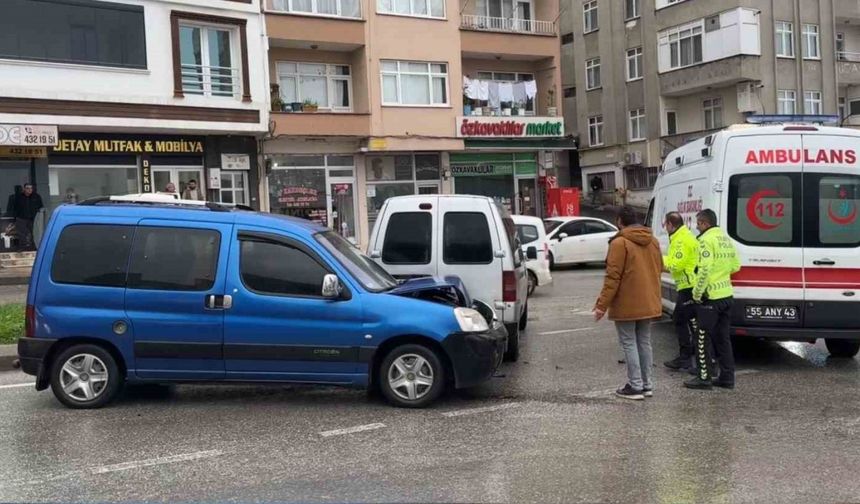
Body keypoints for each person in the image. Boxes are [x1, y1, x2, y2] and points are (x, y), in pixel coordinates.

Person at [593, 206, 663, 401]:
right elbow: (660, 267)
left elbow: (613, 277)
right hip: (649, 300)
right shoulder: (653, 241)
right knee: (644, 341)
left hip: (627, 302)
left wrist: (601, 305)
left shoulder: (620, 243)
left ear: (619, 221)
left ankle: (635, 385)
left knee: (629, 342)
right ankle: (647, 384)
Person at [684, 209, 741, 391]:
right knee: (723, 339)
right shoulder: (725, 239)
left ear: (704, 224)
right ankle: (727, 377)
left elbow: (705, 270)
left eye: (698, 224)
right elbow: (735, 266)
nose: (696, 227)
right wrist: (721, 275)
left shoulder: (705, 241)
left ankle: (704, 377)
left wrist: (697, 293)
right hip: (726, 295)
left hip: (711, 298)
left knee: (702, 338)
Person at [662, 212, 700, 372]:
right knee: (690, 322)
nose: (665, 228)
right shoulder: (684, 236)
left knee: (680, 319)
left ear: (671, 224)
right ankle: (693, 356)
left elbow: (676, 264)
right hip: (689, 285)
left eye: (666, 224)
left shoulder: (680, 240)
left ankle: (686, 358)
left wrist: (658, 260)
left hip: (688, 286)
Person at [10, 183, 44, 251]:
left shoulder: (36, 197)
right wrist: (14, 219)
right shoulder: (19, 197)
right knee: (22, 234)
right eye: (27, 188)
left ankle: (35, 247)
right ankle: (22, 247)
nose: (29, 190)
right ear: (24, 189)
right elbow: (15, 208)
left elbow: (41, 207)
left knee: (35, 233)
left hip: (34, 219)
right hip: (21, 218)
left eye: (31, 188)